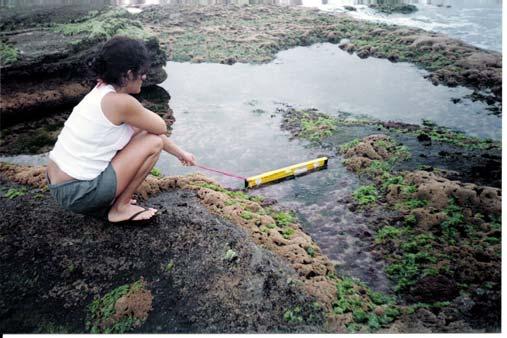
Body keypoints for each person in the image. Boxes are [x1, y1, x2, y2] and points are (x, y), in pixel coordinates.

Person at [46, 36, 195, 223]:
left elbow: (144, 131)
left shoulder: (102, 91)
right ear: (128, 74)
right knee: (153, 143)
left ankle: (111, 200)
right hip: (79, 193)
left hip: (58, 183)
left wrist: (181, 153)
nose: (145, 77)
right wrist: (138, 107)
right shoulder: (122, 103)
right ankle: (120, 208)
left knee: (145, 136)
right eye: (142, 72)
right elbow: (159, 128)